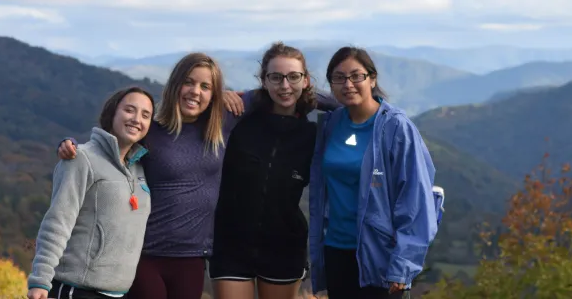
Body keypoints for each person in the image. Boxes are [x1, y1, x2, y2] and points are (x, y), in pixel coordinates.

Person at [55, 52, 341, 299]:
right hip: (145, 252)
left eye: (206, 86)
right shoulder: (151, 129)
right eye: (189, 82)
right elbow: (110, 142)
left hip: (193, 257)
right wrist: (71, 145)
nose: (195, 91)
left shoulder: (222, 122)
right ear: (175, 84)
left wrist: (356, 103)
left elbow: (280, 92)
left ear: (214, 93)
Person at [307, 46, 441, 299]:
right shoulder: (333, 123)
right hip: (336, 250)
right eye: (339, 78)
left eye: (356, 76)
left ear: (372, 79)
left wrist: (403, 266)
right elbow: (293, 94)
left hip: (380, 256)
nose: (348, 84)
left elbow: (416, 201)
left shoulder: (396, 128)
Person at [209, 42, 317, 299]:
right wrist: (217, 97)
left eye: (293, 77)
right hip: (230, 243)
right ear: (264, 81)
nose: (285, 85)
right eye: (276, 77)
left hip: (285, 246)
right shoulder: (237, 121)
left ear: (306, 80)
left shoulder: (313, 135)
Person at [27, 86, 156, 299]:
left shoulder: (140, 168)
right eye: (129, 110)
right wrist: (40, 280)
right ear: (112, 113)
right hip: (75, 290)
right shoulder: (81, 159)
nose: (136, 119)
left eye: (145, 115)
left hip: (118, 293)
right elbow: (58, 221)